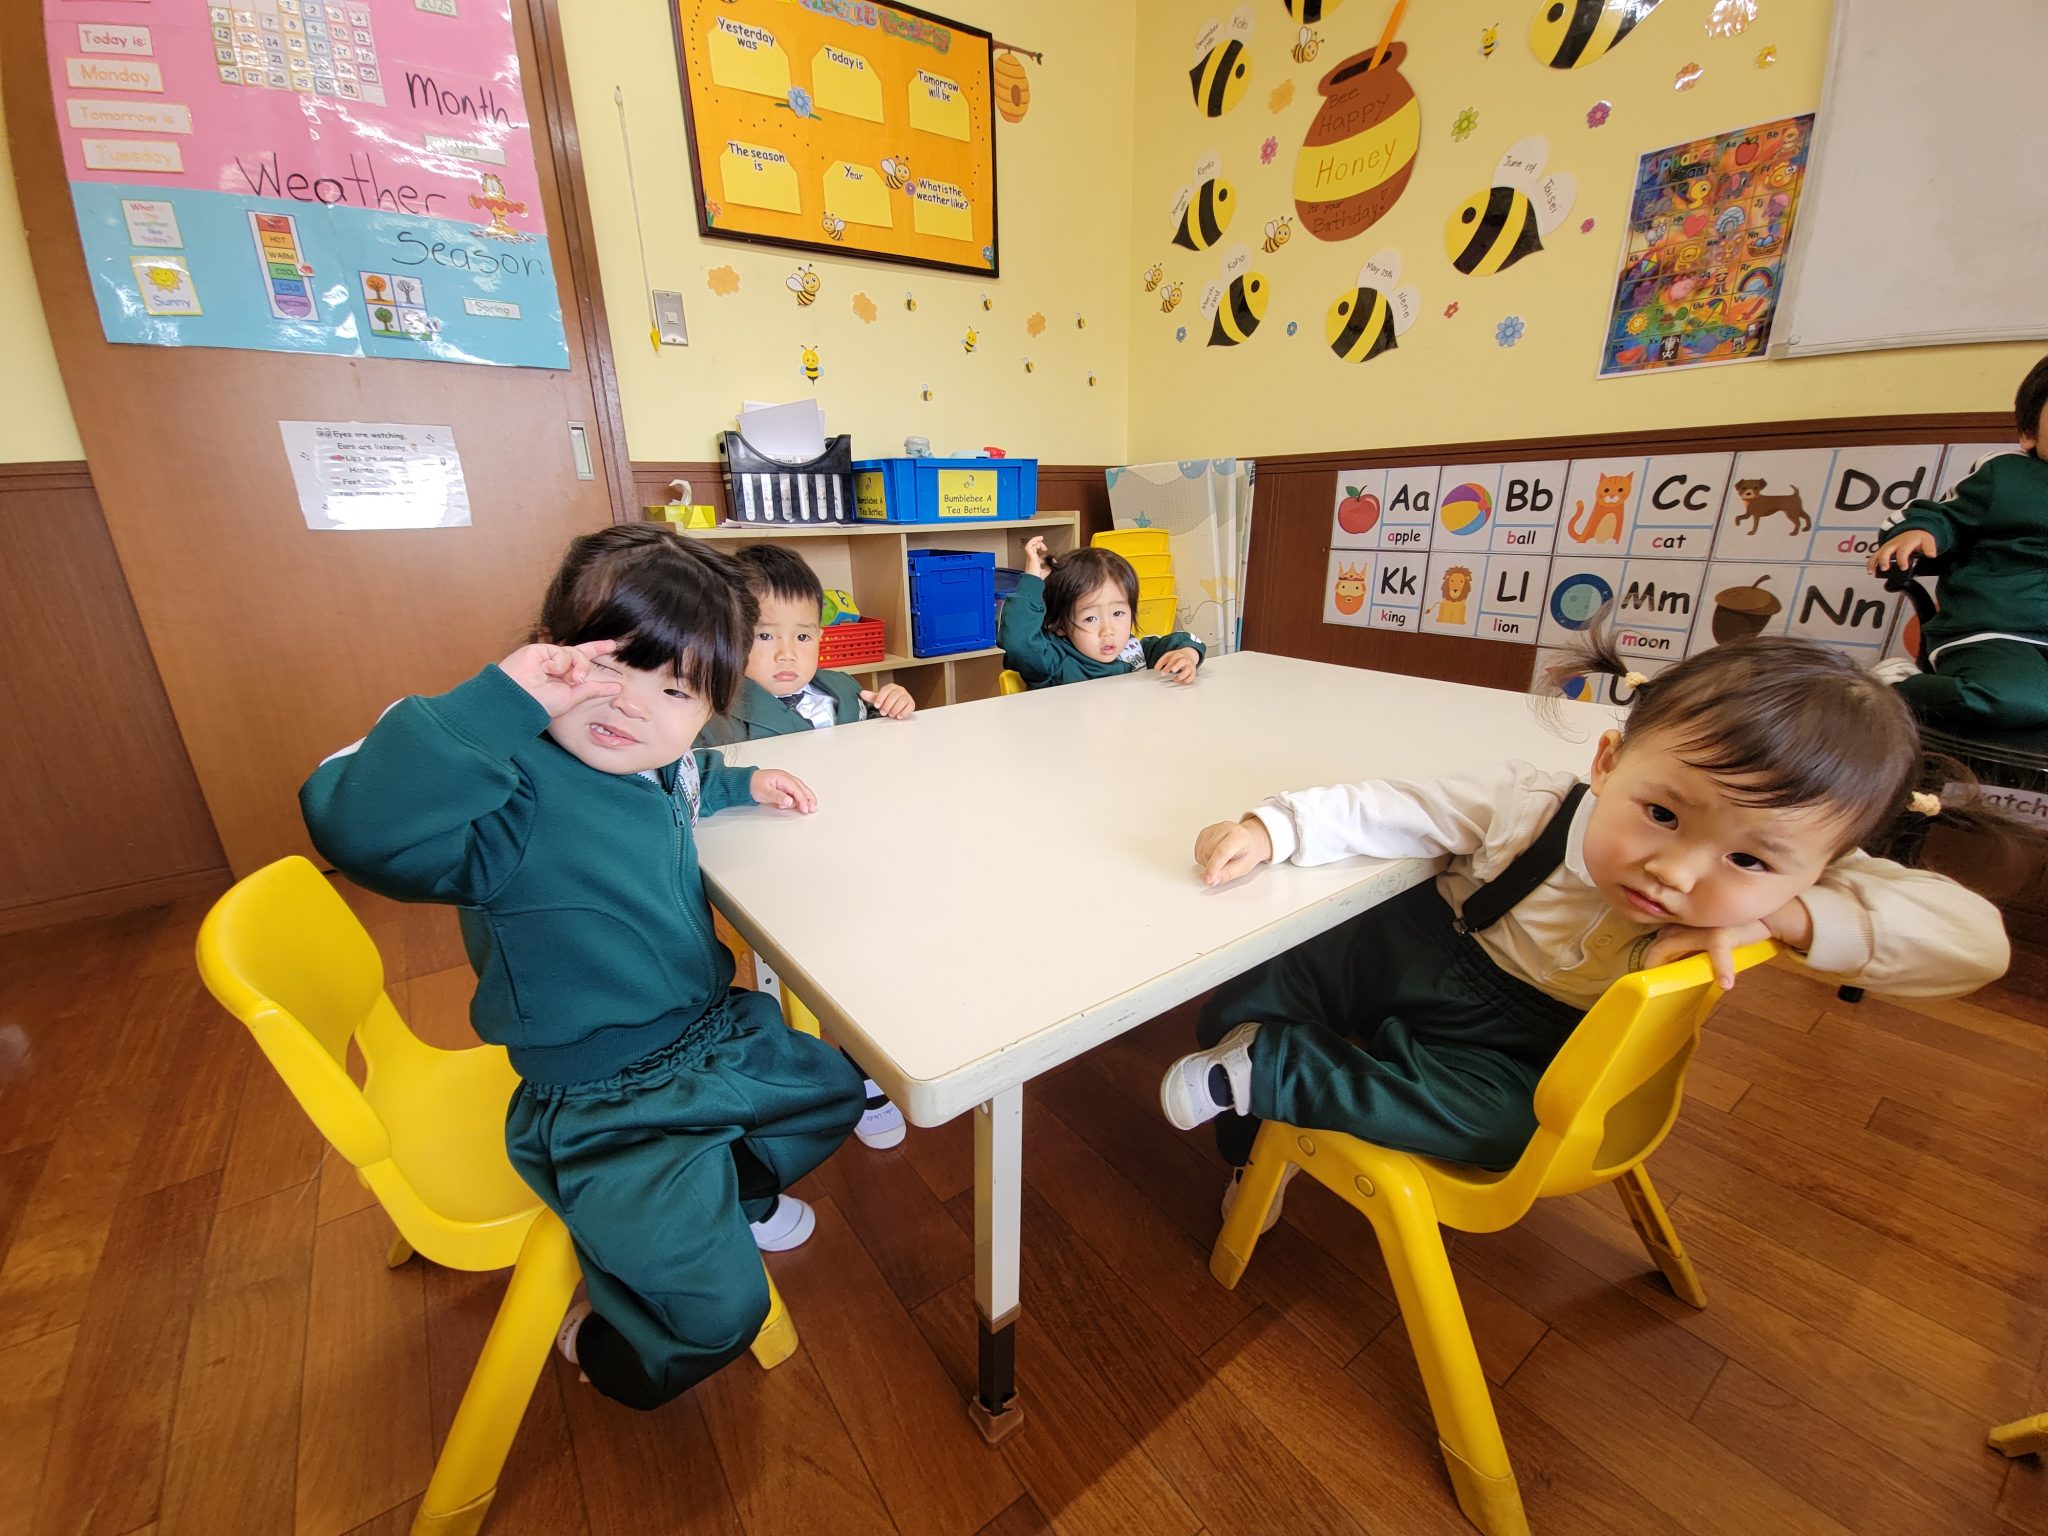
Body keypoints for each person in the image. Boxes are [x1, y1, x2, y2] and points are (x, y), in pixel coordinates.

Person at [1160, 634, 2009, 1225]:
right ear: (1607, 762)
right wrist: (1273, 827)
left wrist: (1787, 915)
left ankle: (1279, 1073)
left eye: (1748, 860)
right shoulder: (1532, 803)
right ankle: (1252, 1150)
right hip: (1404, 952)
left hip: (1516, 1050)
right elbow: (1395, 809)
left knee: (1510, 1130)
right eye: (1662, 813)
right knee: (1251, 988)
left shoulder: (1803, 881)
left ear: (1822, 865)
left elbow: (1978, 945)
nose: (1676, 873)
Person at [302, 524, 865, 1411]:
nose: (633, 707)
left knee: (833, 1090)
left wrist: (738, 783)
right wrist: (494, 706)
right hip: (605, 1100)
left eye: (675, 689)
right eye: (610, 667)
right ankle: (606, 1342)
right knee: (720, 1311)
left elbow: (684, 777)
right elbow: (357, 824)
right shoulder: (504, 792)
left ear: (710, 706)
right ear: (548, 656)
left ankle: (714, 1204)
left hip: (701, 1036)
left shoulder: (658, 764)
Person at [699, 542, 911, 1149]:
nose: (788, 654)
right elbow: (692, 783)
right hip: (779, 872)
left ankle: (879, 1039)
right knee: (842, 958)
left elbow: (878, 755)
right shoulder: (713, 712)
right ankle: (849, 1065)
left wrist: (893, 708)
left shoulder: (841, 689)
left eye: (804, 635)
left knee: (893, 935)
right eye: (764, 636)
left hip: (858, 847)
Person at [1868, 354, 2048, 730]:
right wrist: (1920, 531)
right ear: (2029, 433)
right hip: (1998, 633)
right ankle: (1897, 687)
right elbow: (1943, 515)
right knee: (2018, 698)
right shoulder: (2007, 476)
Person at [998, 535, 1205, 688]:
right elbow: (1019, 641)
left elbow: (1183, 640)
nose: (1108, 631)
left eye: (1118, 614)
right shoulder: (1053, 662)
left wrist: (1187, 654)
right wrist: (1032, 582)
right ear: (1060, 625)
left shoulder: (1133, 651)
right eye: (1090, 618)